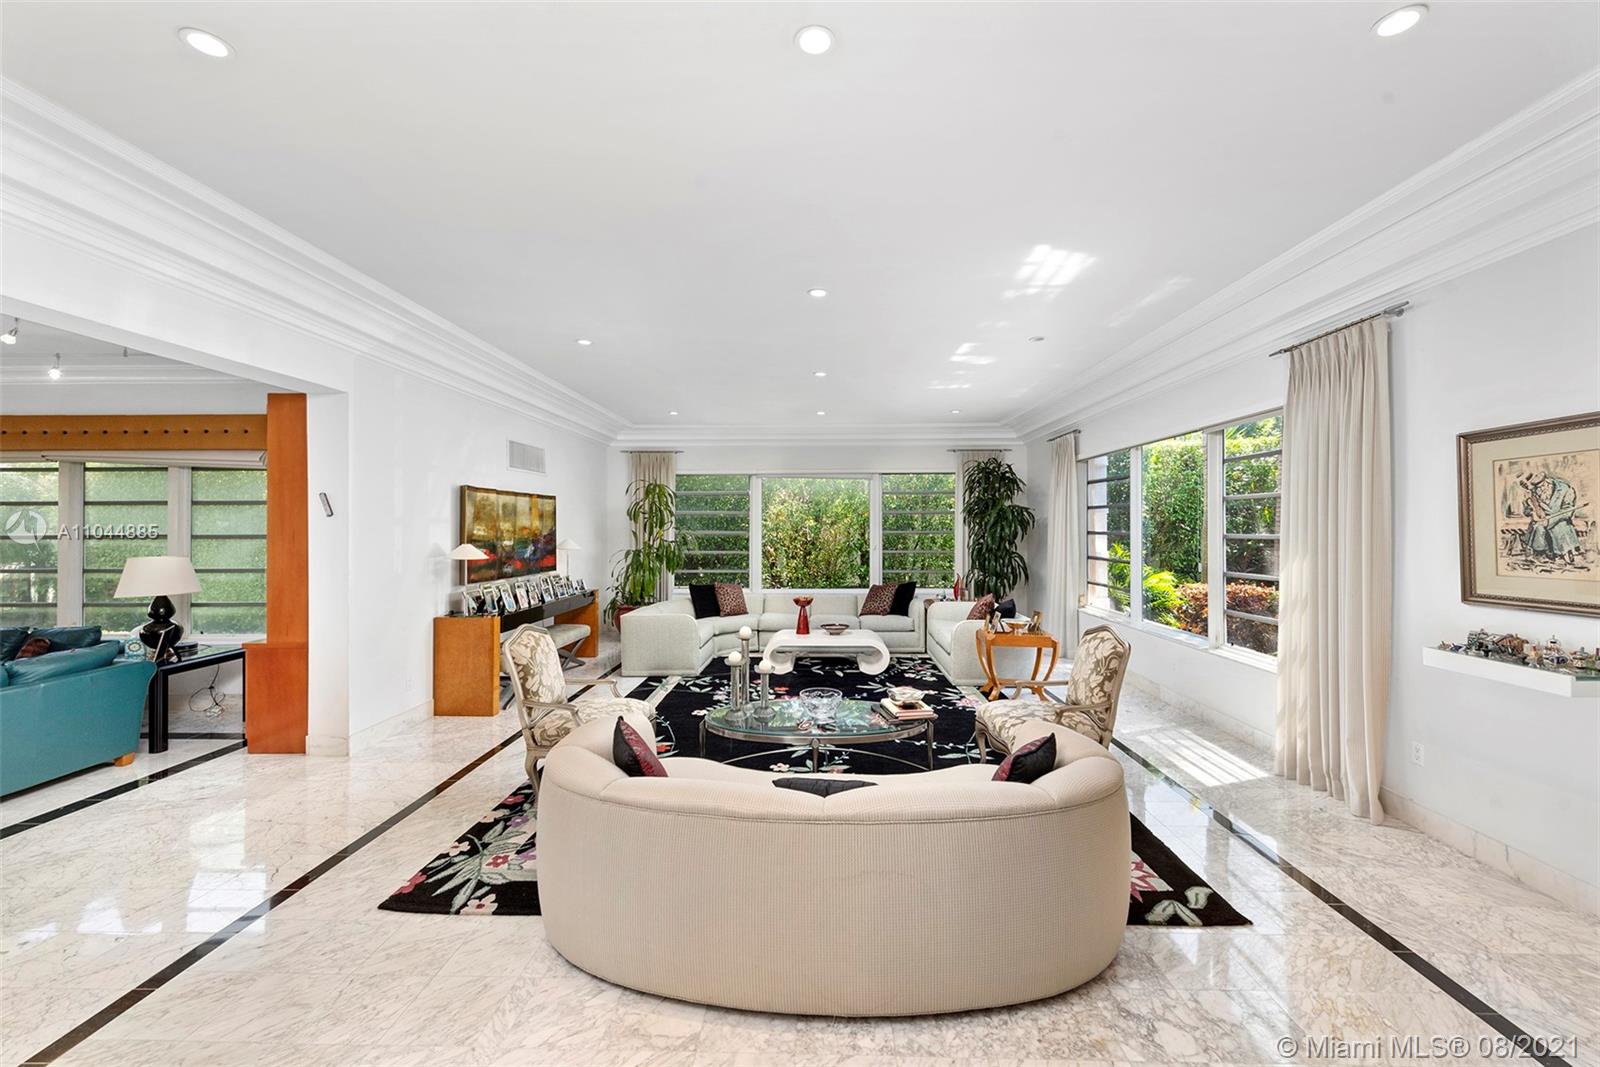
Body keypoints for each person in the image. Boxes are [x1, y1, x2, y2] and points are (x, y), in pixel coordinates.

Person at [1519, 470, 1581, 564]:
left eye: (1541, 487)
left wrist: (1550, 521)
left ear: (1547, 482)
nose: (1538, 490)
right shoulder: (1532, 492)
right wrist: (1532, 511)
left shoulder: (1565, 489)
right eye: (1536, 488)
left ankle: (1564, 553)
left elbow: (1568, 512)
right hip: (1540, 521)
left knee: (1560, 527)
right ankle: (1541, 553)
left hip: (1560, 519)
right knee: (1538, 527)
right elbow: (1526, 511)